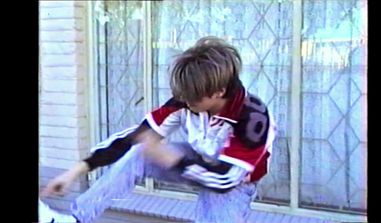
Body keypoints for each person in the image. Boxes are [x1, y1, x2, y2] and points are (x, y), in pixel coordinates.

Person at [40, 36, 277, 223]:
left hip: (233, 182)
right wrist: (76, 171)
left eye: (193, 99)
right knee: (140, 151)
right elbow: (134, 137)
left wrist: (171, 158)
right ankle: (76, 218)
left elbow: (225, 179)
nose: (186, 102)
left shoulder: (253, 117)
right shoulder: (186, 100)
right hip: (196, 158)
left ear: (219, 92)